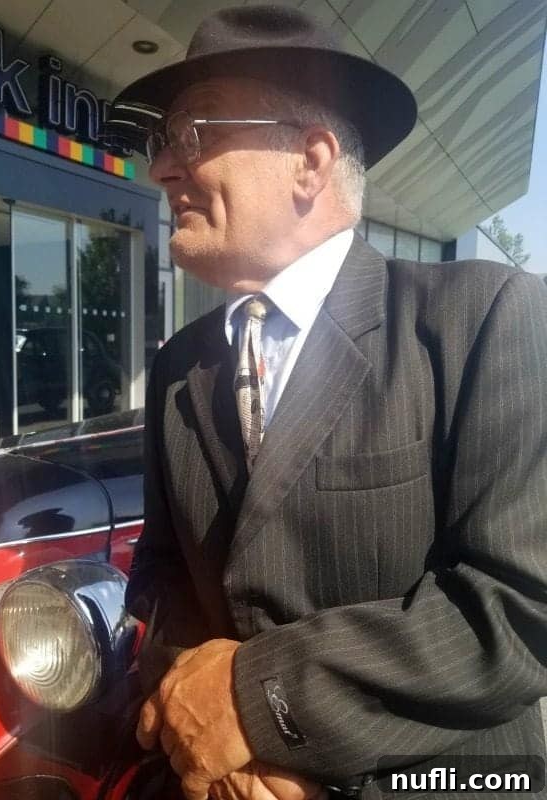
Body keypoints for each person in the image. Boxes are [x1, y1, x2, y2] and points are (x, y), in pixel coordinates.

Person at [108, 5, 547, 800]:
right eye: (162, 141)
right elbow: (162, 574)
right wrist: (190, 715)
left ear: (310, 161)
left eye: (193, 134)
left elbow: (517, 608)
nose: (162, 168)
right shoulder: (177, 369)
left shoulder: (489, 321)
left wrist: (255, 705)